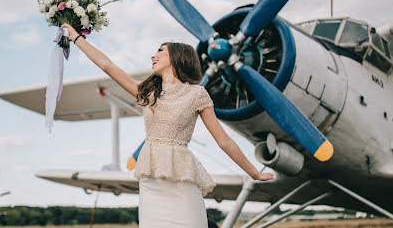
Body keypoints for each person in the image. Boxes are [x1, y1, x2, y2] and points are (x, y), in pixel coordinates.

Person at [62, 23, 274, 228]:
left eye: (160, 51)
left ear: (177, 57)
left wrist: (254, 173)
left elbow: (224, 140)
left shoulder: (197, 94)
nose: (153, 56)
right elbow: (107, 65)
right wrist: (76, 37)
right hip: (151, 186)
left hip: (182, 183)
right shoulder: (147, 93)